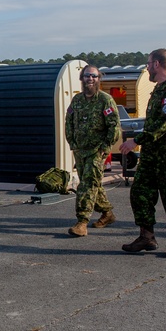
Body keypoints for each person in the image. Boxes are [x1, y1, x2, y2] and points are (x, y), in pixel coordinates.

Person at [120, 49, 166, 258]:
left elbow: (164, 124)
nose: (146, 67)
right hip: (154, 152)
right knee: (140, 192)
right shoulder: (160, 89)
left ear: (156, 64)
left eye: (148, 63)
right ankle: (147, 236)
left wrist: (136, 141)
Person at [65, 65, 121, 236]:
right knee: (94, 184)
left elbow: (114, 126)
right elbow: (69, 121)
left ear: (99, 79)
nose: (90, 79)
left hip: (96, 151)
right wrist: (72, 142)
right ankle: (107, 214)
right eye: (87, 76)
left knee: (87, 185)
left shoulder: (105, 100)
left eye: (94, 76)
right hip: (80, 150)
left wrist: (105, 148)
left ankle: (82, 222)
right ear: (82, 79)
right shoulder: (77, 100)